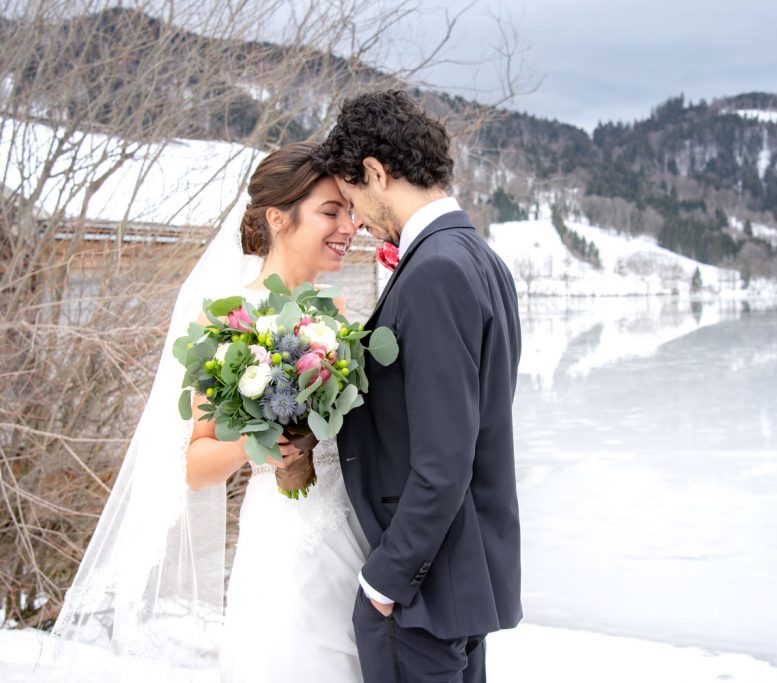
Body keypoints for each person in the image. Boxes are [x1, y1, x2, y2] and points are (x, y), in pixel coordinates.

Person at [50, 142, 367, 682]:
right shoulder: (229, 319)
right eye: (331, 211)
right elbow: (195, 466)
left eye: (352, 212)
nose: (349, 226)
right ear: (278, 218)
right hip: (283, 544)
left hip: (351, 535)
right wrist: (257, 440)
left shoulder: (336, 313)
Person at [317, 90, 523, 683]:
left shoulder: (434, 271)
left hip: (422, 590)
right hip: (460, 575)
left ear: (376, 173)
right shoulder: (479, 257)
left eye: (352, 198)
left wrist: (386, 579)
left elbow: (444, 457)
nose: (354, 219)